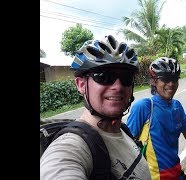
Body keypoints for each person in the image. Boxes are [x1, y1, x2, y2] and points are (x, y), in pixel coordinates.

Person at [40, 35, 151, 180]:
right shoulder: (71, 147)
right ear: (80, 84)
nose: (117, 86)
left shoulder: (123, 130)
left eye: (126, 77)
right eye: (104, 76)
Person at [126, 57, 186, 179]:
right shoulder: (144, 106)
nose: (171, 84)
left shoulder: (176, 106)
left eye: (175, 79)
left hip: (176, 172)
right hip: (154, 176)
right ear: (153, 81)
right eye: (165, 79)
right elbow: (126, 146)